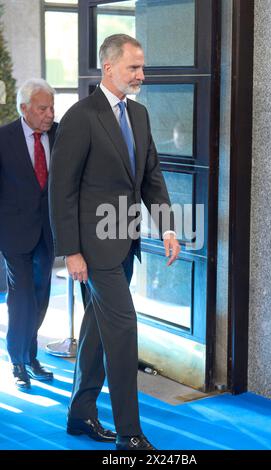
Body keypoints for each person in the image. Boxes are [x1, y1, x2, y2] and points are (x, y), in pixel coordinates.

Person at [49, 34, 181, 451]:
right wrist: (71, 250)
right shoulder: (81, 116)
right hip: (92, 250)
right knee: (123, 332)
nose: (141, 75)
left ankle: (79, 413)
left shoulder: (139, 115)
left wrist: (168, 227)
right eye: (134, 68)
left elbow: (151, 177)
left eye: (142, 67)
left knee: (95, 329)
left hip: (126, 243)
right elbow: (61, 189)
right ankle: (130, 434)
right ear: (109, 68)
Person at [0, 79, 57, 390]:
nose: (49, 114)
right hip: (13, 233)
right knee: (20, 298)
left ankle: (31, 355)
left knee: (40, 297)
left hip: (47, 232)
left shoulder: (59, 135)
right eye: (42, 108)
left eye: (51, 107)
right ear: (24, 109)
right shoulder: (4, 138)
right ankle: (17, 360)